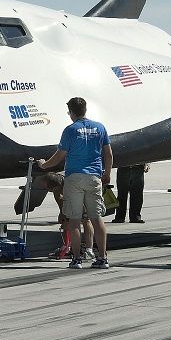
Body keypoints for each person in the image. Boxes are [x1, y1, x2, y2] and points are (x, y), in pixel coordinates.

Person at [38, 97, 113, 269]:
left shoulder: (70, 130)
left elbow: (60, 155)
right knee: (96, 219)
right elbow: (108, 154)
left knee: (74, 221)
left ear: (71, 112)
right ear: (85, 109)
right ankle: (102, 258)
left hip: (74, 178)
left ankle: (77, 259)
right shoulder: (100, 127)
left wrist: (44, 165)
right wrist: (107, 174)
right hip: (94, 177)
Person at [38, 173, 95, 260]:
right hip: (72, 197)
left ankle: (89, 250)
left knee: (85, 220)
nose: (46, 190)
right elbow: (59, 199)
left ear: (56, 187)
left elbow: (83, 204)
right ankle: (67, 247)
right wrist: (63, 214)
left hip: (83, 195)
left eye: (48, 188)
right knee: (67, 221)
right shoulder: (56, 187)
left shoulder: (71, 185)